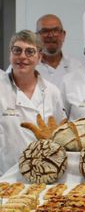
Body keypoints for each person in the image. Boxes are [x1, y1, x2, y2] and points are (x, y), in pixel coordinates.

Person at [0, 30, 65, 175]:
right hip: (5, 174)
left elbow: (60, 133)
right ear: (10, 54)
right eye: (17, 50)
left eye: (30, 52)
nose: (22, 56)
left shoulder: (52, 91)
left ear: (39, 57)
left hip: (43, 173)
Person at [35, 14, 82, 87]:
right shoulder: (26, 66)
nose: (50, 35)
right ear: (36, 37)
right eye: (45, 31)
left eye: (55, 31)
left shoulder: (76, 66)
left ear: (63, 35)